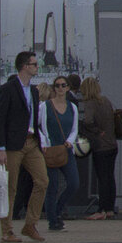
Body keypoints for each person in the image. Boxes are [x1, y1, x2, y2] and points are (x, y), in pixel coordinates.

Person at [0, 51, 51, 243]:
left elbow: (34, 118)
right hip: (13, 144)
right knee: (11, 187)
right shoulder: (8, 88)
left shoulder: (34, 91)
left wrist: (41, 140)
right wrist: (1, 147)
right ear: (25, 66)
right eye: (34, 64)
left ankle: (30, 224)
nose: (37, 67)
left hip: (31, 141)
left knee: (42, 180)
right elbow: (0, 119)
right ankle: (7, 230)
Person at [38, 79, 84, 233]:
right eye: (57, 85)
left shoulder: (72, 107)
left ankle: (57, 210)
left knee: (73, 183)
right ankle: (53, 221)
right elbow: (36, 126)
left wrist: (70, 141)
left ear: (68, 88)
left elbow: (74, 128)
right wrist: (43, 142)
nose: (60, 88)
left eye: (63, 85)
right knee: (52, 185)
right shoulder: (44, 106)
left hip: (66, 149)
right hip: (50, 149)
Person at [83, 75, 122, 219]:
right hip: (112, 144)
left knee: (102, 178)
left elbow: (88, 121)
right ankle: (110, 208)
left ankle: (101, 210)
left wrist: (95, 131)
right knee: (110, 177)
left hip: (100, 145)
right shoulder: (106, 101)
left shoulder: (90, 103)